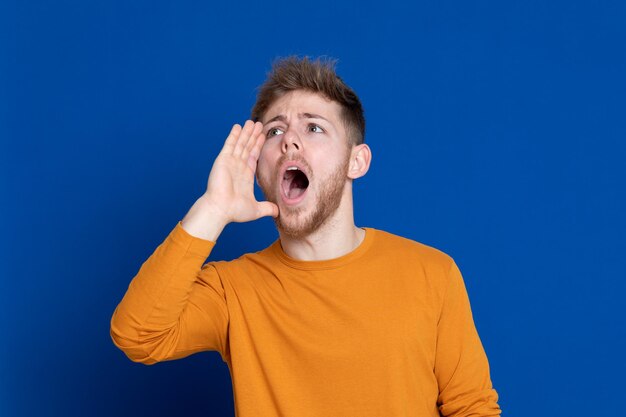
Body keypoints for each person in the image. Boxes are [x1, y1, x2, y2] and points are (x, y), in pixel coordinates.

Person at [110, 56, 501, 417]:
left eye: (314, 127)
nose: (289, 141)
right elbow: (138, 335)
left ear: (356, 161)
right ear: (259, 166)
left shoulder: (431, 273)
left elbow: (472, 407)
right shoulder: (233, 290)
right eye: (275, 130)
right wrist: (212, 209)